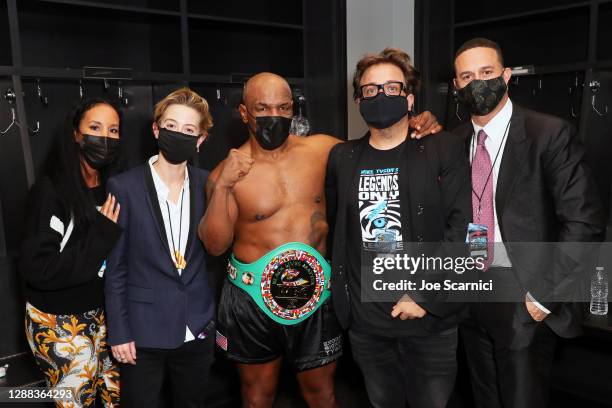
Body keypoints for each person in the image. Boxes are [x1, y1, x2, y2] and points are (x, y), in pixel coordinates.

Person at [198, 72, 442, 408]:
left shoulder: (323, 150)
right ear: (244, 113)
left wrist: (417, 123)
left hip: (316, 294)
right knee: (257, 397)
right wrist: (223, 185)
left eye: (283, 107)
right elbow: (214, 245)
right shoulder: (225, 172)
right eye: (263, 108)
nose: (274, 116)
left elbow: (378, 148)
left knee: (323, 395)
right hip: (251, 297)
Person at [451, 37, 606, 408]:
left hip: (524, 296)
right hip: (470, 294)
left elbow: (584, 222)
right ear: (456, 85)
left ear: (506, 75)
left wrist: (543, 296)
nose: (477, 83)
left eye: (486, 72)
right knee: (484, 397)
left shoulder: (549, 134)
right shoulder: (452, 142)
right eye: (467, 76)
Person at [325, 47, 472, 408]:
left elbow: (466, 230)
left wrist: (425, 296)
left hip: (430, 323)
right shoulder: (341, 157)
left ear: (409, 98)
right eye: (370, 89)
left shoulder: (444, 148)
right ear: (359, 99)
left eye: (392, 88)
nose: (380, 96)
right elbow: (340, 232)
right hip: (367, 327)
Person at [105, 87, 215, 407]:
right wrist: (119, 331)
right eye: (170, 126)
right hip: (142, 333)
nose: (178, 134)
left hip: (196, 328)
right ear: (156, 130)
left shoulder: (210, 184)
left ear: (200, 140)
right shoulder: (123, 187)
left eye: (189, 129)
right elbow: (117, 268)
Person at [19, 98, 123, 407]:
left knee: (115, 398)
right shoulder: (51, 192)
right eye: (95, 127)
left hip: (105, 317)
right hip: (59, 323)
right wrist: (102, 234)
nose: (105, 137)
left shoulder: (113, 187)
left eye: (114, 130)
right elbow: (41, 270)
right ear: (76, 135)